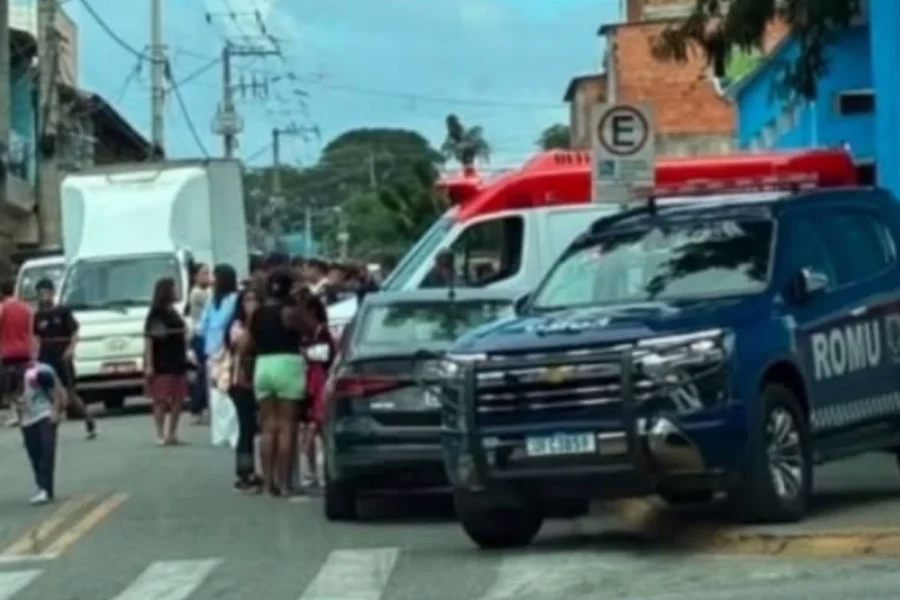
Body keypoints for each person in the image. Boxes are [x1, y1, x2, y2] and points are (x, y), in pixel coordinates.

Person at [249, 268, 315, 496]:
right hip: (288, 363)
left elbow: (248, 342)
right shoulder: (290, 311)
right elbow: (312, 329)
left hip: (263, 364)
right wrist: (302, 304)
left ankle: (268, 484)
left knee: (268, 428)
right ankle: (285, 484)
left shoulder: (257, 313)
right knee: (287, 427)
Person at [32, 278, 97, 439]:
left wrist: (70, 349)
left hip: (62, 358)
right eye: (40, 294)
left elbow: (75, 332)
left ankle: (89, 421)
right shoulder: (38, 316)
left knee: (71, 395)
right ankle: (50, 427)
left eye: (46, 292)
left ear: (53, 293)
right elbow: (35, 337)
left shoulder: (63, 312)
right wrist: (34, 355)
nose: (43, 297)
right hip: (45, 358)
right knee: (48, 394)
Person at [225, 285, 263, 492]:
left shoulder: (267, 322)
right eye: (247, 300)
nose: (252, 304)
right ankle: (244, 473)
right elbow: (242, 347)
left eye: (255, 300)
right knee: (246, 427)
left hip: (264, 376)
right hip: (242, 381)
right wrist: (250, 322)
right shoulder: (237, 326)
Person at [143, 277, 190, 446]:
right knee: (161, 399)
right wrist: (149, 364)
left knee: (179, 398)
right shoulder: (156, 313)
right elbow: (149, 339)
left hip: (178, 359)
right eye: (174, 288)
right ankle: (160, 433)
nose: (176, 291)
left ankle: (173, 433)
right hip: (162, 360)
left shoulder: (174, 311)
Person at [199, 264, 239, 448]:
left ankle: (231, 433)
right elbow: (203, 323)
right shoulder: (211, 299)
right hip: (213, 352)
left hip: (228, 351)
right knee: (215, 393)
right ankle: (221, 434)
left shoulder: (234, 299)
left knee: (228, 392)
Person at [16, 362, 66, 504]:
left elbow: (57, 390)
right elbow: (13, 399)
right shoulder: (9, 375)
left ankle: (45, 488)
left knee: (47, 450)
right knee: (35, 454)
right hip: (27, 418)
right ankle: (43, 487)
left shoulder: (42, 371)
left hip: (45, 413)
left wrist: (56, 411)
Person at [299, 291, 334, 490]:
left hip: (319, 384)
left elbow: (326, 354)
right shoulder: (299, 333)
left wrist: (305, 353)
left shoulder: (323, 332)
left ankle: (323, 471)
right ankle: (310, 471)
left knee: (318, 428)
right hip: (304, 382)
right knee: (306, 428)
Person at [0, 278, 35, 427]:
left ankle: (14, 413)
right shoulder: (27, 308)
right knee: (23, 383)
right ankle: (27, 412)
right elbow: (32, 329)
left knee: (9, 385)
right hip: (25, 351)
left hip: (7, 352)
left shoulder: (2, 308)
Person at [186, 263, 212, 425]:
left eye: (209, 273)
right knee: (204, 372)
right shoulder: (197, 293)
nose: (208, 276)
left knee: (205, 372)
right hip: (199, 335)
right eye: (204, 273)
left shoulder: (205, 292)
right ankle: (197, 405)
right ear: (195, 276)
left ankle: (201, 406)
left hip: (206, 335)